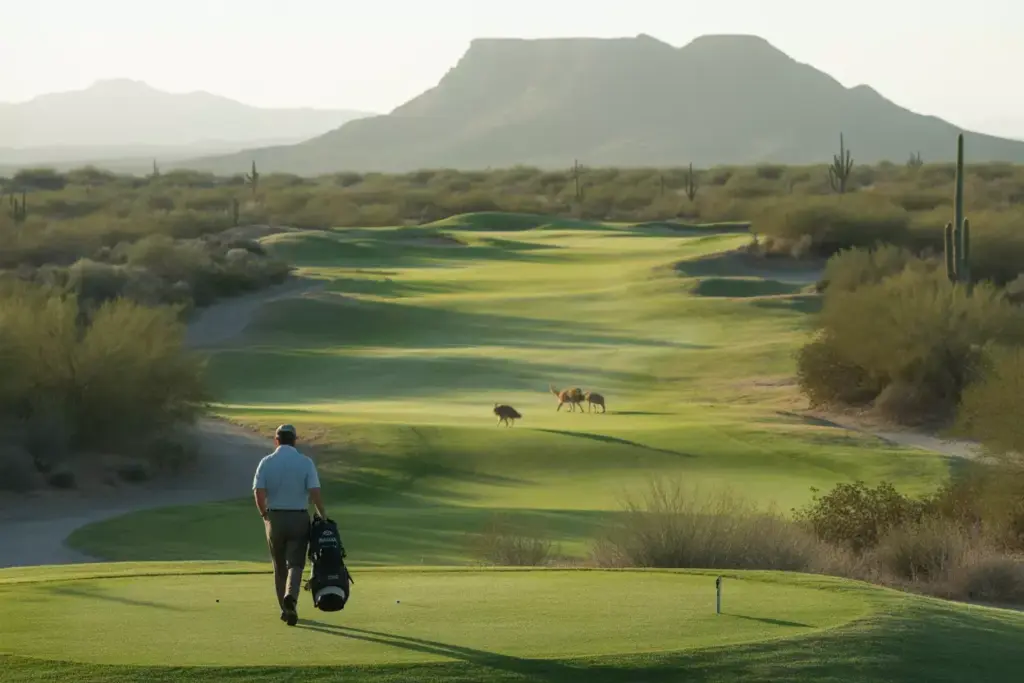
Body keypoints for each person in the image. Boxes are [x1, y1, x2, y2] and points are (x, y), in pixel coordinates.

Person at [252, 424, 327, 626]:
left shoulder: (266, 462)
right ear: (295, 440)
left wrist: (264, 514)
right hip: (299, 517)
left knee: (279, 566)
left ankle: (285, 609)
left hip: (274, 518)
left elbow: (258, 492)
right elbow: (314, 492)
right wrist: (323, 515)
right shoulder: (305, 462)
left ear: (276, 440)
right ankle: (291, 597)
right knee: (295, 563)